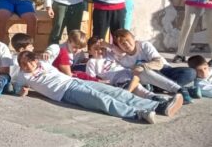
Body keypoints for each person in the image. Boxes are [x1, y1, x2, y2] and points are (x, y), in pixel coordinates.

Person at [13, 51, 180, 124]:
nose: (28, 65)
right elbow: (16, 88)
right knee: (101, 100)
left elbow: (56, 48)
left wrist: (48, 51)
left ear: (35, 60)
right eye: (24, 64)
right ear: (20, 65)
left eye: (30, 61)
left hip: (74, 81)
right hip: (65, 92)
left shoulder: (42, 62)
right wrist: (22, 91)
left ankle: (158, 106)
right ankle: (138, 114)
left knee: (115, 92)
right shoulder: (22, 75)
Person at [110, 29, 196, 103]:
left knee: (190, 72)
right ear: (119, 46)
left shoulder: (144, 45)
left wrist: (143, 66)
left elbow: (159, 63)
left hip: (163, 70)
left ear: (133, 38)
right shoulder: (122, 58)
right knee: (143, 72)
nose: (126, 44)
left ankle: (163, 87)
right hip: (148, 79)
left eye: (128, 40)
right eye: (122, 43)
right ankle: (181, 90)